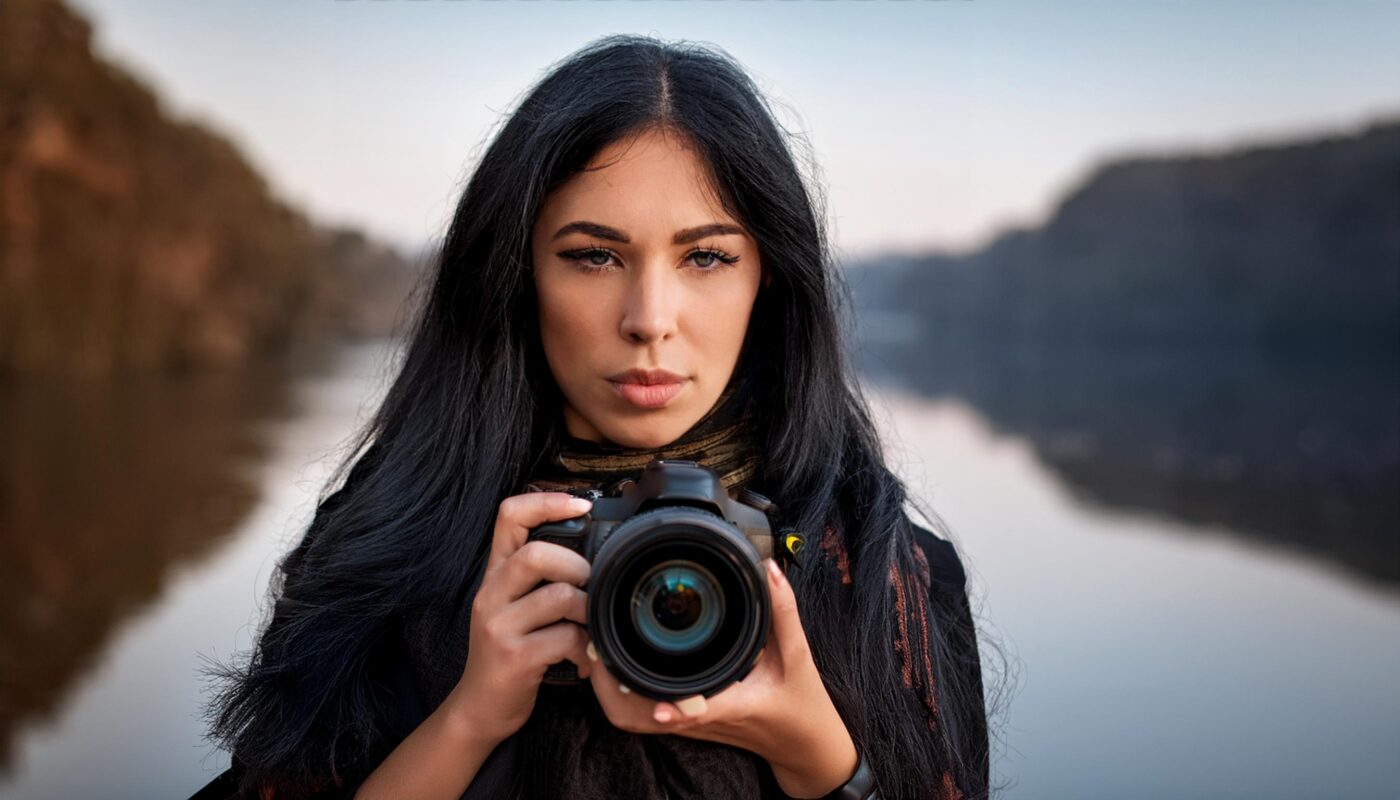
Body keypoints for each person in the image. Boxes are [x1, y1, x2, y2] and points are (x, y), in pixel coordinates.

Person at [197, 33, 992, 800]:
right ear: (517, 273)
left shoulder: (879, 569)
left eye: (706, 257)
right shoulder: (384, 545)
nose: (649, 318)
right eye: (593, 255)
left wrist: (820, 759)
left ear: (769, 279)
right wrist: (469, 718)